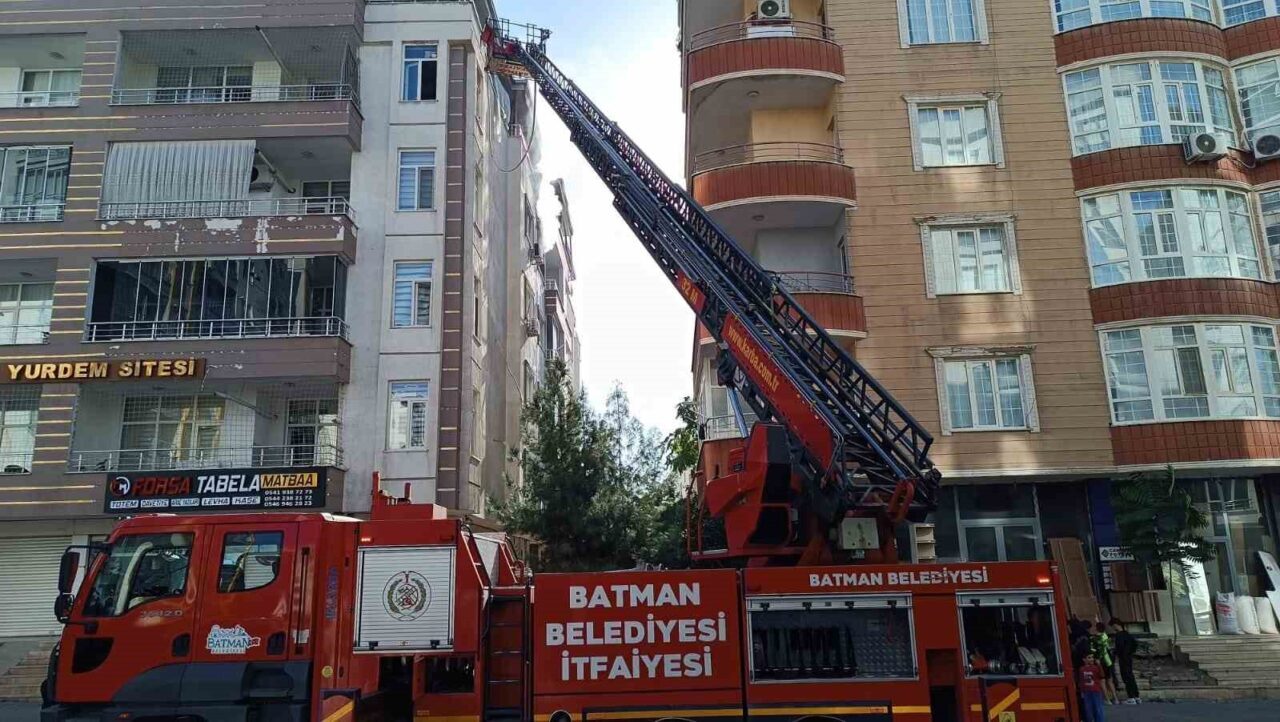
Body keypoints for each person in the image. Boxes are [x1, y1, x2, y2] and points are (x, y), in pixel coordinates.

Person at [1110, 618, 1140, 704]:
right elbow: (1135, 644)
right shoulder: (1127, 634)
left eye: (1113, 626)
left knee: (1126, 677)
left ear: (1116, 625)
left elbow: (1119, 647)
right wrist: (1130, 652)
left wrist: (1115, 653)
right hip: (1128, 658)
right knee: (1130, 676)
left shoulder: (1119, 635)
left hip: (1123, 658)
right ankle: (1136, 696)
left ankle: (1131, 697)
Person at [1089, 622, 1119, 704]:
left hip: (1100, 661)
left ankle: (1107, 699)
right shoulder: (1106, 636)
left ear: (1096, 628)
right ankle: (1116, 699)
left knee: (1102, 681)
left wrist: (1096, 658)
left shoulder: (1094, 638)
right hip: (1108, 660)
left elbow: (1093, 650)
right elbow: (1109, 648)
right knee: (1110, 680)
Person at [1079, 652, 1107, 722]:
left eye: (1092, 657)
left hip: (1095, 691)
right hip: (1087, 691)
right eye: (1089, 658)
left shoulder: (1095, 668)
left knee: (1097, 709)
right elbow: (1081, 681)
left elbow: (1102, 677)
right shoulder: (1082, 669)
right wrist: (1082, 691)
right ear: (1084, 659)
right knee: (1089, 710)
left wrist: (1099, 665)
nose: (1092, 659)